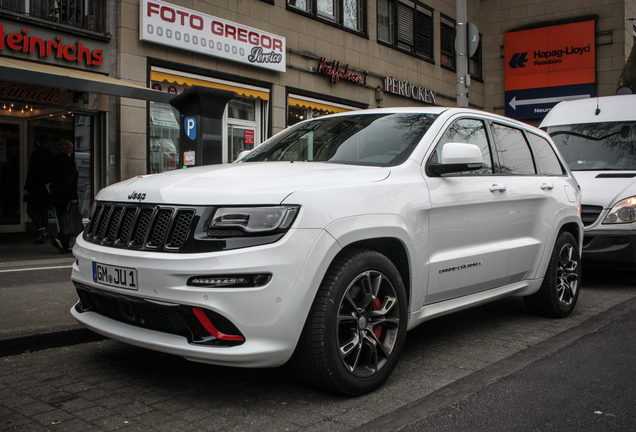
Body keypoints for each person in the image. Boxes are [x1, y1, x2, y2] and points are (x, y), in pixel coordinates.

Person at [49, 139, 78, 254]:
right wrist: (74, 196)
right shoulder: (69, 161)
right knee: (68, 220)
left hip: (56, 194)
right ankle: (59, 238)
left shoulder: (54, 160)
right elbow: (71, 180)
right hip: (66, 195)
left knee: (62, 219)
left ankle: (65, 245)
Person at [23, 135, 52, 243]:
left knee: (31, 209)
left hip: (36, 187)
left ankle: (41, 229)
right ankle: (43, 231)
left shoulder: (36, 154)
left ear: (38, 142)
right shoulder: (50, 154)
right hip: (46, 186)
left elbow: (32, 172)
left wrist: (27, 187)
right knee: (44, 210)